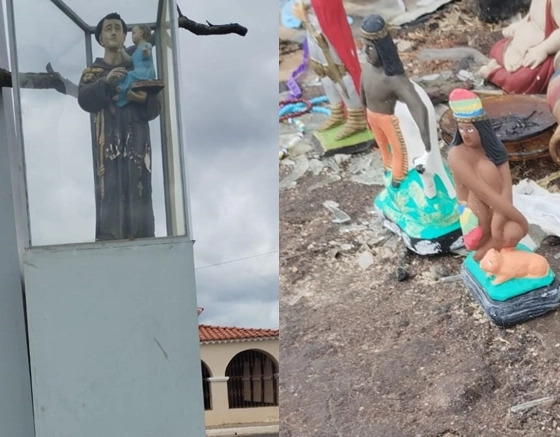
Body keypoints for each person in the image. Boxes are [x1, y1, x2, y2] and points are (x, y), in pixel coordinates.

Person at [78, 12, 162, 241]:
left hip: (137, 145)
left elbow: (155, 109)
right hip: (108, 149)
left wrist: (142, 99)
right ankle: (109, 238)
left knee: (139, 189)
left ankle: (143, 238)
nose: (114, 32)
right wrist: (106, 83)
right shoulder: (93, 73)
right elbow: (85, 100)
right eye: (108, 28)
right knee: (109, 192)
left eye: (118, 28)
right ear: (100, 39)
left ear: (125, 36)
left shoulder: (140, 67)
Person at [447, 88, 529, 262]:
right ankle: (484, 252)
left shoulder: (493, 148)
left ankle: (495, 251)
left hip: (499, 209)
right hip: (474, 212)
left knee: (513, 232)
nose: (465, 134)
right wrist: (520, 220)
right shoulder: (457, 155)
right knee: (485, 168)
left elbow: (506, 185)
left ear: (481, 129)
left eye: (469, 129)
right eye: (461, 129)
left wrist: (501, 219)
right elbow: (482, 191)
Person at [359, 14, 430, 188]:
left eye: (370, 47)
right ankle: (388, 166)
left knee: (399, 149)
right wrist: (363, 111)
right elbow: (362, 89)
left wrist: (424, 131)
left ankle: (398, 177)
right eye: (364, 46)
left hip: (387, 119)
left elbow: (416, 104)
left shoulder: (393, 79)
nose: (364, 51)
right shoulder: (367, 68)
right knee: (382, 145)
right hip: (372, 116)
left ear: (382, 49)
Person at [292, 0, 367, 140]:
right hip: (311, 22)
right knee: (321, 69)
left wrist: (307, 5)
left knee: (337, 70)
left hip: (325, 21)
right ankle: (337, 111)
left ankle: (357, 116)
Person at [478, 0, 560, 94]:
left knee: (523, 79)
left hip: (540, 52)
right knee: (496, 50)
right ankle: (500, 69)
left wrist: (543, 50)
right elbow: (532, 15)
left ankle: (495, 74)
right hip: (522, 41)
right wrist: (518, 26)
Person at [115, 24, 157, 107]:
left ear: (141, 32)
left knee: (130, 74)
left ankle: (122, 90)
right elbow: (130, 60)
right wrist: (122, 51)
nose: (132, 36)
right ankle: (122, 96)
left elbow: (147, 54)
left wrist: (146, 52)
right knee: (126, 74)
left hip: (146, 71)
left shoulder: (146, 45)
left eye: (134, 33)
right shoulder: (136, 50)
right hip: (139, 72)